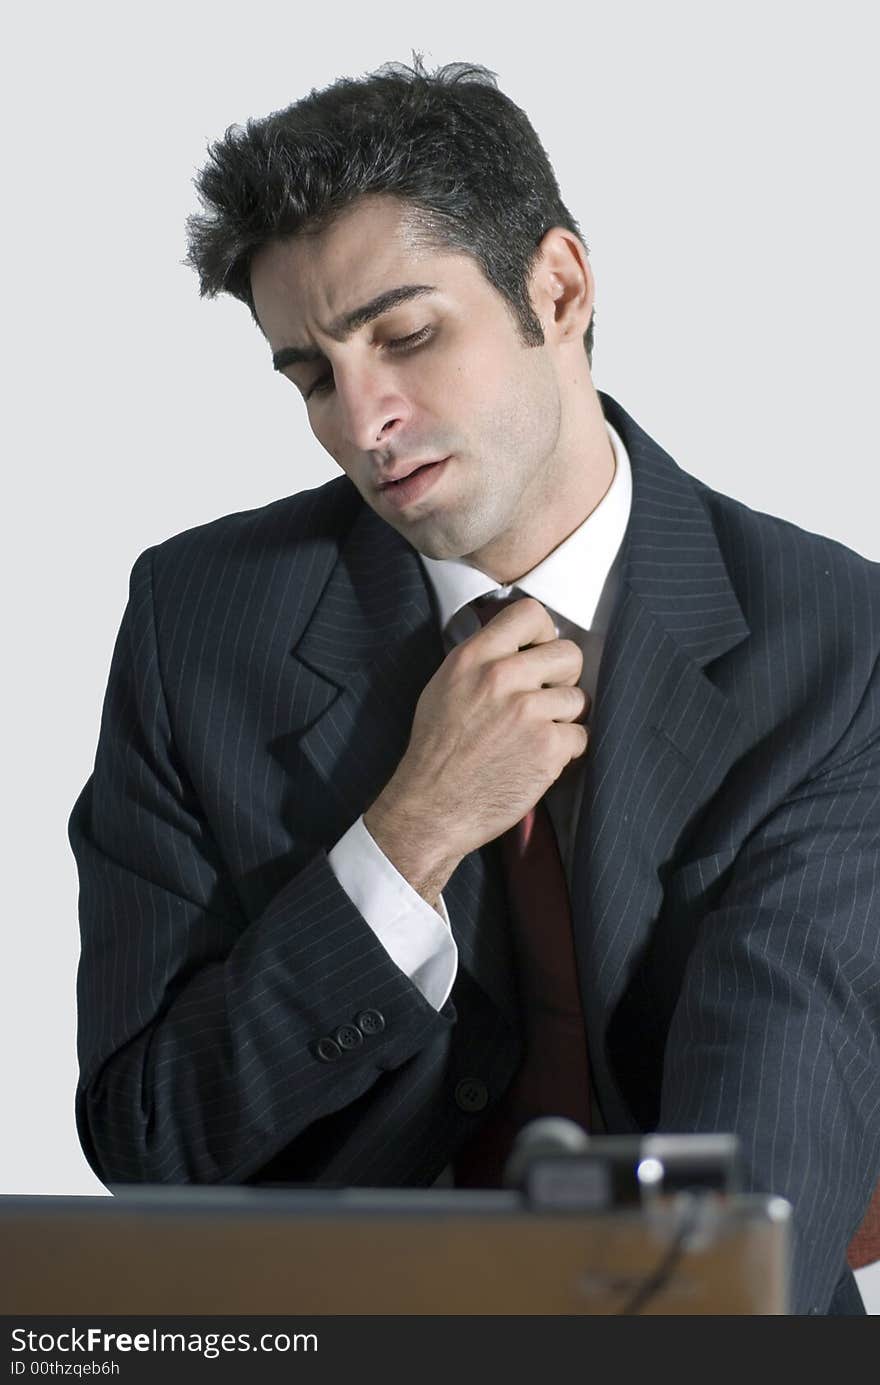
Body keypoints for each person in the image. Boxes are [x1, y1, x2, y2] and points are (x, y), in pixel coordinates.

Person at [69, 58, 879, 1315]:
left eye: (406, 336)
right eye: (309, 374)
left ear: (556, 287)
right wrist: (409, 837)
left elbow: (759, 1180)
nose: (362, 419)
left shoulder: (835, 642)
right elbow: (153, 1138)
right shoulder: (198, 622)